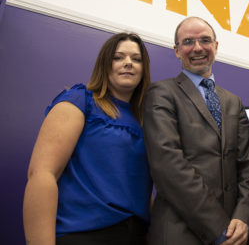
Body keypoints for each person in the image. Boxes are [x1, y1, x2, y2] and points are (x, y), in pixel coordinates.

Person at [23, 33, 153, 245]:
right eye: (118, 57)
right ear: (105, 64)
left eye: (136, 59)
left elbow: (142, 193)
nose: (128, 63)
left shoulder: (146, 121)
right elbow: (41, 174)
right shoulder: (80, 100)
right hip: (82, 235)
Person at [143, 16, 249, 245]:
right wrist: (219, 228)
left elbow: (247, 167)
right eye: (188, 42)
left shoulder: (233, 102)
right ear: (177, 51)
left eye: (205, 40)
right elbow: (168, 165)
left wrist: (244, 218)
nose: (197, 48)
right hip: (180, 233)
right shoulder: (161, 93)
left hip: (234, 234)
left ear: (216, 47)